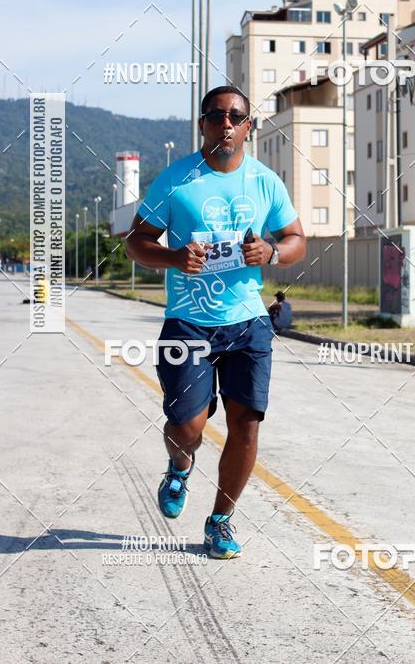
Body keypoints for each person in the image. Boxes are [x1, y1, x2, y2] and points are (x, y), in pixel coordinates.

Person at [126, 86, 306, 559]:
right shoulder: (176, 179)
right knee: (187, 425)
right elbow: (136, 242)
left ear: (249, 125)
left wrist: (271, 252)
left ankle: (220, 521)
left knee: (246, 425)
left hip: (248, 323)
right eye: (216, 116)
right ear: (202, 124)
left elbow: (295, 240)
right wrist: (172, 256)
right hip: (187, 324)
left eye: (236, 116)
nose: (227, 124)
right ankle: (179, 466)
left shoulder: (266, 182)